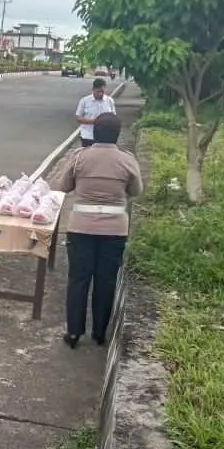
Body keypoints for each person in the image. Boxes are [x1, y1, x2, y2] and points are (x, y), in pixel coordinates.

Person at [57, 113, 142, 348]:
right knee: (105, 281)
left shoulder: (80, 157)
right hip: (114, 230)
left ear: (95, 132)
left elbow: (63, 186)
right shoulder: (127, 160)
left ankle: (74, 333)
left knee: (78, 279)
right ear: (117, 134)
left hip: (81, 227)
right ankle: (99, 333)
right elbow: (136, 191)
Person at [75, 77, 116, 147]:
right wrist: (94, 121)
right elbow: (78, 118)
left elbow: (113, 117)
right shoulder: (84, 101)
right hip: (88, 136)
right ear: (93, 90)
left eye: (102, 91)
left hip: (104, 137)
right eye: (98, 92)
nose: (100, 94)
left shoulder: (109, 101)